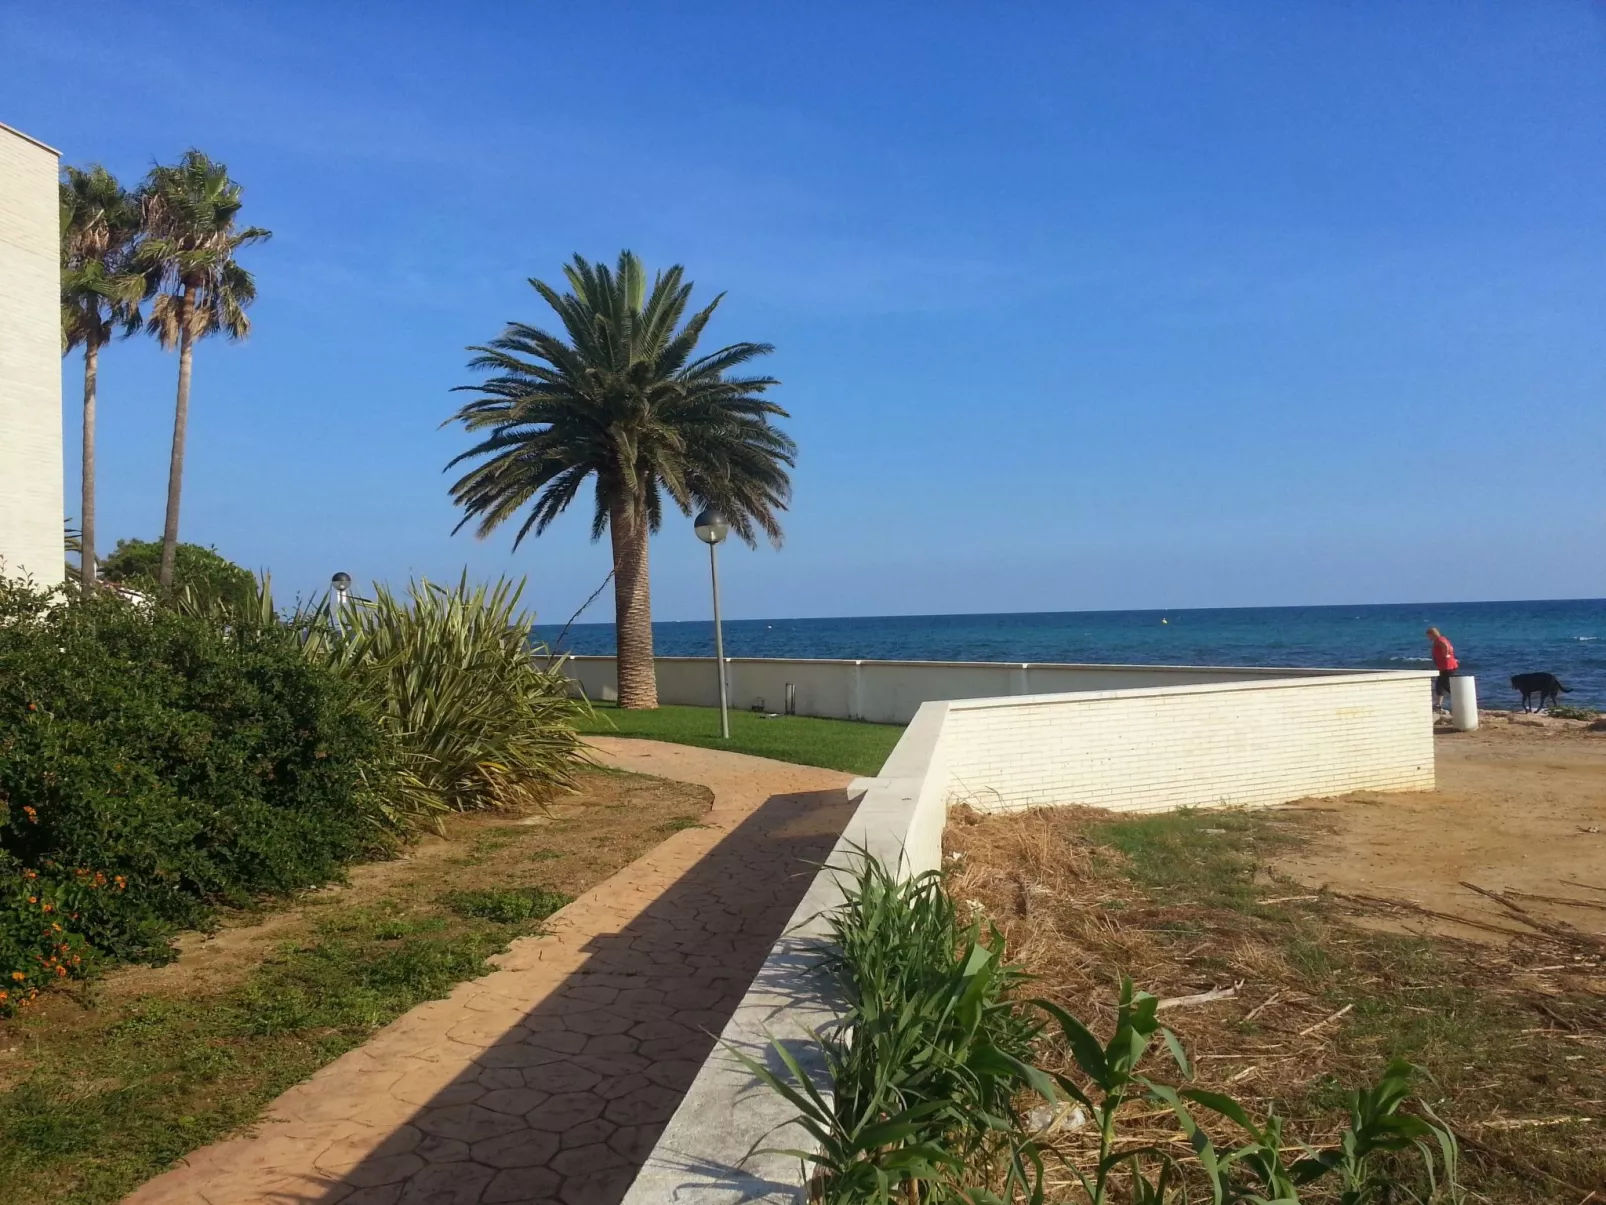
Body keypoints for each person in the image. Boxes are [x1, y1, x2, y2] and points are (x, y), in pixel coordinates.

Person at [1427, 627, 1458, 714]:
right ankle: (1438, 705)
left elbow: (1446, 646)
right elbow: (1450, 647)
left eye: (1429, 636)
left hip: (1447, 666)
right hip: (1446, 666)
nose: (1429, 638)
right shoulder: (1442, 639)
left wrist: (1445, 655)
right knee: (1440, 685)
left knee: (1446, 685)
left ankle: (1460, 699)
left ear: (1432, 634)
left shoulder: (1439, 640)